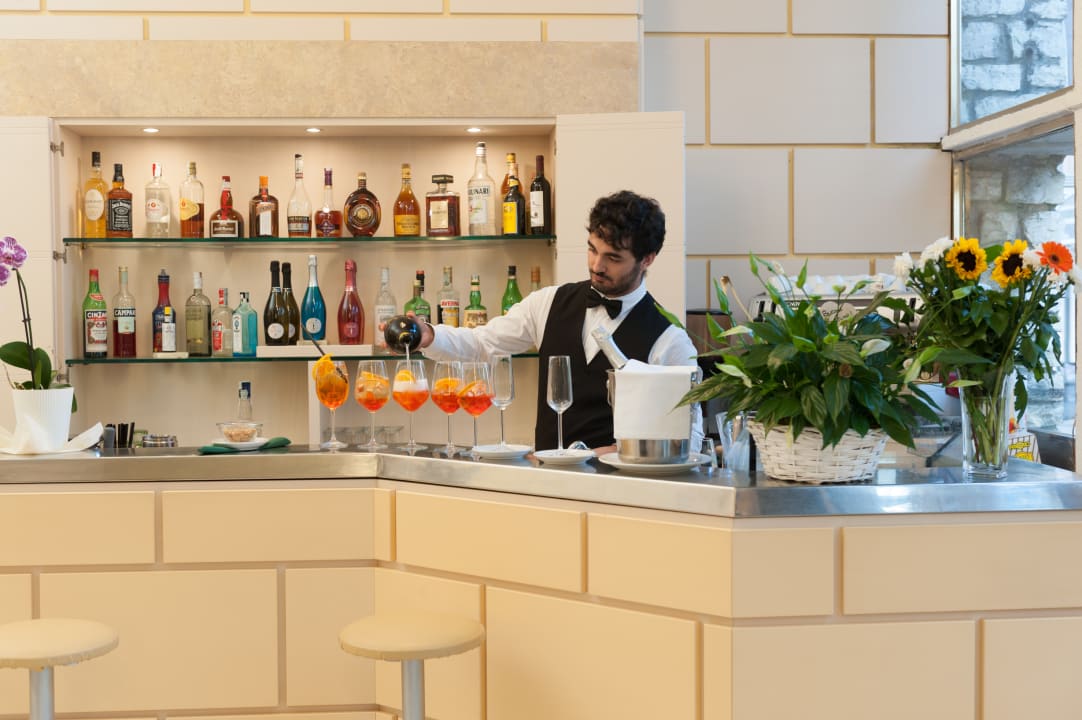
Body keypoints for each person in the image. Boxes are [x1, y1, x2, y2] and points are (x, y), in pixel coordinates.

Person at [414, 189, 703, 453]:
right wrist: (428, 335)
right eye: (592, 249)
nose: (597, 265)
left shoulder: (670, 340)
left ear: (647, 259)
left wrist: (618, 452)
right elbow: (481, 344)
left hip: (619, 489)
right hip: (546, 483)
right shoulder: (548, 302)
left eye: (613, 258)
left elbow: (689, 439)